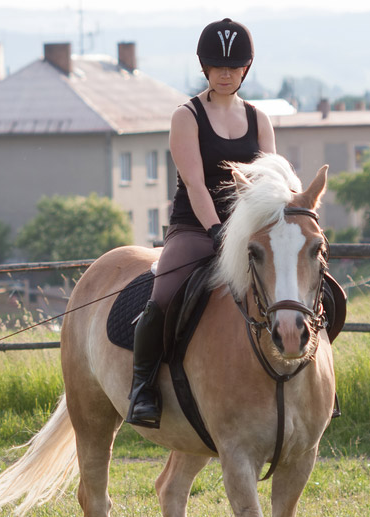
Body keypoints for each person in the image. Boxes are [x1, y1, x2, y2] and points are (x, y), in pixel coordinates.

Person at [126, 17, 276, 428]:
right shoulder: (186, 116)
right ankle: (142, 388)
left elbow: (269, 183)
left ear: (245, 69)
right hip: (196, 228)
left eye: (234, 67)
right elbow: (194, 183)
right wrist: (216, 232)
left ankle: (315, 383)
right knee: (163, 295)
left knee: (304, 287)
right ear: (205, 68)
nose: (225, 74)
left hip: (249, 228)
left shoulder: (260, 119)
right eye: (217, 67)